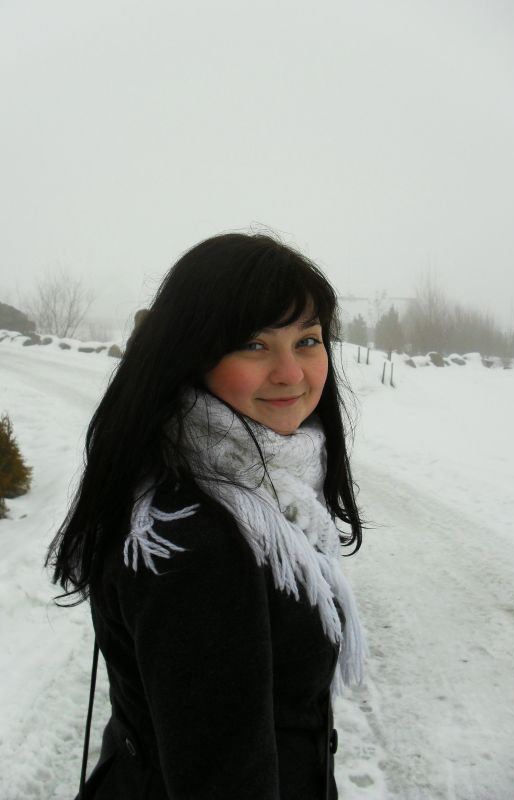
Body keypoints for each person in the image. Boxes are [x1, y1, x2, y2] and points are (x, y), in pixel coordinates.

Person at [46, 232, 365, 800]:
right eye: (254, 344)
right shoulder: (195, 541)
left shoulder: (247, 484)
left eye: (307, 341)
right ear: (190, 354)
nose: (291, 373)